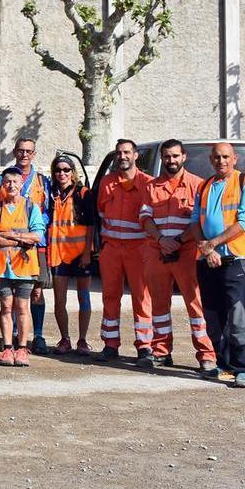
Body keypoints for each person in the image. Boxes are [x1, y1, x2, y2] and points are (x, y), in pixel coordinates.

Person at [140, 139, 213, 373]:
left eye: (175, 156)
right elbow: (145, 218)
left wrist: (178, 242)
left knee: (196, 305)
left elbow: (200, 221)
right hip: (158, 252)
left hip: (187, 254)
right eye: (167, 157)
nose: (171, 160)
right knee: (159, 306)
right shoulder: (152, 186)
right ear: (162, 158)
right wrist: (162, 241)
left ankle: (206, 355)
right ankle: (161, 352)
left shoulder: (198, 185)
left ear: (184, 157)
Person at [191, 142, 245, 388]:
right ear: (211, 160)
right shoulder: (205, 185)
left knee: (237, 316)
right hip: (207, 260)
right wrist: (205, 248)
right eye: (217, 157)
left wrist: (213, 245)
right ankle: (222, 364)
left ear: (235, 158)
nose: (221, 161)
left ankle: (243, 368)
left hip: (234, 260)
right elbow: (195, 220)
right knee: (213, 316)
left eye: (225, 156)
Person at [96, 138, 155, 366]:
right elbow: (101, 213)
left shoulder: (148, 183)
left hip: (139, 249)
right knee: (110, 296)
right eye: (119, 153)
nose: (123, 156)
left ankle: (144, 347)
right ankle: (110, 345)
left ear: (136, 155)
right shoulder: (107, 183)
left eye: (127, 152)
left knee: (142, 298)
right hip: (111, 248)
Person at [0, 138, 52, 355]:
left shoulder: (42, 181)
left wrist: (30, 235)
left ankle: (37, 335)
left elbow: (49, 212)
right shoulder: (3, 179)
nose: (24, 154)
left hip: (37, 244)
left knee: (36, 292)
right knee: (10, 296)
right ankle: (14, 336)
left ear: (34, 154)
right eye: (20, 151)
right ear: (14, 152)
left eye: (28, 151)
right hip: (7, 249)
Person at [0, 167, 46, 366]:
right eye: (7, 182)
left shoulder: (31, 207)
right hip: (1, 267)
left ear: (21, 184)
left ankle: (22, 348)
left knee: (22, 307)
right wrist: (21, 240)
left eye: (15, 182)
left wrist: (10, 235)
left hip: (25, 268)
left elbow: (38, 235)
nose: (11, 185)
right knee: (5, 307)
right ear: (2, 185)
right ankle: (7, 348)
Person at [47, 154, 94, 356]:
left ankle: (82, 340)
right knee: (59, 300)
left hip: (81, 255)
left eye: (66, 170)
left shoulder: (83, 193)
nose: (62, 173)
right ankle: (65, 338)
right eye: (58, 170)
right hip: (59, 254)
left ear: (73, 172)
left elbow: (92, 225)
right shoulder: (51, 194)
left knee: (84, 298)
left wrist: (87, 253)